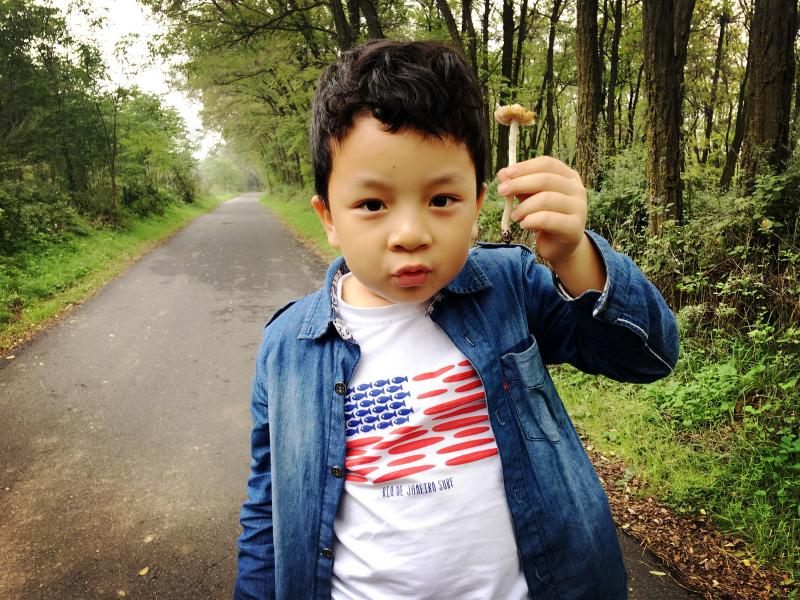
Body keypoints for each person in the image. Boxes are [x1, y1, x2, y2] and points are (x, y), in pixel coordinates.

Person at [235, 39, 679, 600]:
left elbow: (647, 356)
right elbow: (267, 510)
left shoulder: (510, 287)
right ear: (328, 217)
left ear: (477, 203)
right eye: (372, 205)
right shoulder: (288, 347)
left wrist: (575, 256)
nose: (410, 234)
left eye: (442, 199)